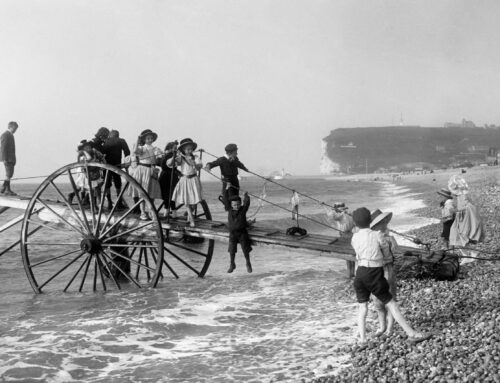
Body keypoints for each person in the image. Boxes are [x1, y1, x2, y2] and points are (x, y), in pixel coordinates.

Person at [351, 207, 431, 348]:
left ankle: (362, 340)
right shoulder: (377, 235)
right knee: (391, 303)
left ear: (355, 223)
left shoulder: (354, 237)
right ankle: (412, 333)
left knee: (362, 308)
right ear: (370, 220)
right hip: (373, 272)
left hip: (360, 273)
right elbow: (387, 255)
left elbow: (358, 253)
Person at [369, 209, 398, 336]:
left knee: (385, 301)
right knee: (383, 302)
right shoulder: (382, 238)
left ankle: (387, 328)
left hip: (382, 270)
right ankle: (385, 327)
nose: (386, 224)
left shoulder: (386, 238)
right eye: (383, 222)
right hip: (382, 270)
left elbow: (396, 253)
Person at [128, 129, 163, 220]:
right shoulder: (142, 148)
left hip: (152, 171)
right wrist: (137, 138)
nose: (150, 140)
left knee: (151, 193)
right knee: (142, 193)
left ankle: (151, 212)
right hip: (142, 171)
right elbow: (135, 151)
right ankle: (143, 212)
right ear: (144, 140)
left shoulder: (156, 149)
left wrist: (160, 157)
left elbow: (160, 159)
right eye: (147, 138)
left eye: (151, 138)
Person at [169, 138, 203, 227]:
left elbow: (199, 167)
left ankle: (189, 216)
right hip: (185, 180)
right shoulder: (181, 158)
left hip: (194, 180)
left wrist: (194, 164)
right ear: (183, 150)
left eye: (191, 149)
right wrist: (174, 154)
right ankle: (191, 219)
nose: (189, 150)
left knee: (195, 202)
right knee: (186, 201)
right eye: (187, 149)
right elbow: (170, 164)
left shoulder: (195, 157)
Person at [205, 143, 248, 210]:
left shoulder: (235, 159)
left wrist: (245, 169)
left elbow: (239, 164)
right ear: (230, 153)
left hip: (235, 180)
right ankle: (230, 212)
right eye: (235, 152)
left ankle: (236, 212)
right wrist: (208, 166)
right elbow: (213, 163)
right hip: (227, 181)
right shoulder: (222, 160)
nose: (237, 154)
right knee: (229, 197)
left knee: (236, 196)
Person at [447, 175, 483, 248]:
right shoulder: (461, 196)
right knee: (459, 232)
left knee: (461, 232)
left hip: (465, 215)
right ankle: (468, 250)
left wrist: (454, 210)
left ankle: (469, 251)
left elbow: (465, 207)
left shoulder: (461, 196)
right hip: (463, 215)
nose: (452, 193)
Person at [69, 140, 106, 205]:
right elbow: (79, 164)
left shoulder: (94, 151)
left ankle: (99, 203)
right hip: (85, 174)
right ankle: (92, 204)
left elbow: (102, 157)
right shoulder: (82, 154)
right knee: (84, 188)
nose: (88, 149)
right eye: (86, 148)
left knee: (97, 188)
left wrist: (103, 163)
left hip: (95, 173)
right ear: (83, 149)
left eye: (89, 147)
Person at [102, 130, 131, 210]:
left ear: (110, 135)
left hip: (107, 165)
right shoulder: (121, 140)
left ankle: (109, 202)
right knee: (117, 182)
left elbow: (102, 152)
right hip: (117, 165)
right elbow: (127, 152)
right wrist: (126, 163)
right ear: (118, 135)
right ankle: (119, 201)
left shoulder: (106, 141)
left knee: (107, 183)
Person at [226, 192, 253, 273]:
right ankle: (232, 264)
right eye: (234, 205)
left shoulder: (243, 210)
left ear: (240, 204)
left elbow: (247, 203)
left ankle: (248, 263)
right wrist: (227, 189)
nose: (236, 206)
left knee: (245, 248)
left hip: (242, 233)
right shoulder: (229, 210)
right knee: (231, 249)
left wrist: (246, 196)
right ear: (231, 205)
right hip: (232, 233)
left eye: (238, 204)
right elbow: (225, 199)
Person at [159, 141, 180, 218]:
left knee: (167, 195)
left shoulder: (165, 156)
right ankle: (172, 213)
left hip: (168, 176)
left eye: (176, 148)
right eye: (174, 148)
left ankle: (167, 213)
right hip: (168, 177)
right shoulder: (169, 156)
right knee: (170, 195)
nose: (176, 150)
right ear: (170, 148)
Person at [0, 121, 19, 195]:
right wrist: (4, 159)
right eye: (14, 128)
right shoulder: (5, 135)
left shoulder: (10, 135)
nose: (15, 130)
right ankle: (5, 189)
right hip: (7, 159)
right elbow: (3, 148)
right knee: (9, 174)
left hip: (10, 159)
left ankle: (5, 189)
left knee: (9, 174)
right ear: (10, 127)